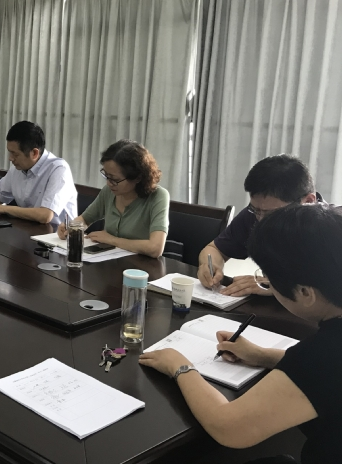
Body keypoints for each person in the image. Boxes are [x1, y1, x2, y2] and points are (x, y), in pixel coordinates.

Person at [139, 204, 342, 464]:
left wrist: (180, 367)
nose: (267, 286)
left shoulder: (326, 353)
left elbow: (228, 427)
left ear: (305, 292)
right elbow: (321, 378)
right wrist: (262, 355)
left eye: (268, 280)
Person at [198, 155, 322, 297]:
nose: (261, 220)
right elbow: (214, 249)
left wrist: (277, 287)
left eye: (271, 213)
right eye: (256, 209)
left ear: (308, 201)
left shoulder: (333, 229)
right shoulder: (254, 214)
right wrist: (210, 267)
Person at [57, 139, 168, 258]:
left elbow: (155, 248)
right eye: (106, 176)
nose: (109, 183)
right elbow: (85, 219)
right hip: (108, 261)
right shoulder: (109, 192)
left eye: (115, 179)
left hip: (140, 265)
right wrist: (72, 228)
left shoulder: (158, 196)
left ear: (137, 178)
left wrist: (112, 240)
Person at [0, 121, 77, 225]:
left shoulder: (58, 169)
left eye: (15, 154)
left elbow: (45, 215)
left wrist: (5, 209)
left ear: (34, 153)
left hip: (57, 236)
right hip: (29, 229)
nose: (10, 158)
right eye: (9, 152)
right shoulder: (17, 168)